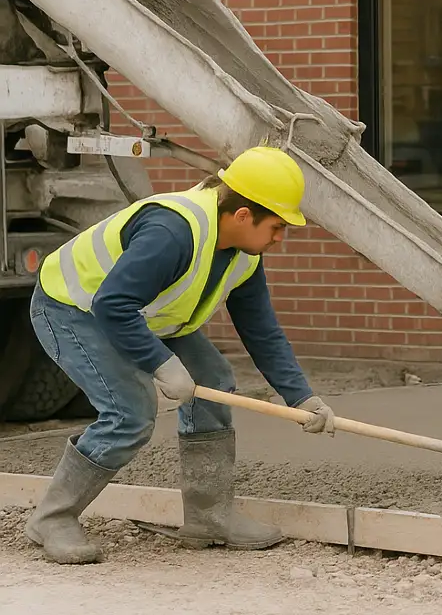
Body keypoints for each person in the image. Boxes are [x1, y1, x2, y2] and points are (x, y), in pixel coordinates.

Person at [23, 146, 337, 564]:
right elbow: (113, 304)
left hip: (140, 313)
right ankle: (52, 518)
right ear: (244, 215)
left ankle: (209, 515)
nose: (280, 238)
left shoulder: (244, 253)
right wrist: (161, 364)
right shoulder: (172, 232)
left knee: (213, 379)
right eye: (278, 226)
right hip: (72, 307)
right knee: (130, 412)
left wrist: (301, 397)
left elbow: (262, 330)